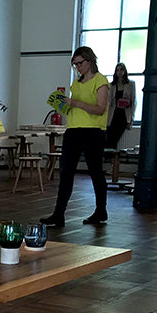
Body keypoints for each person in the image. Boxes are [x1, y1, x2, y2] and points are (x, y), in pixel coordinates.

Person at [41, 46, 110, 228]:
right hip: (73, 130)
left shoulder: (100, 80)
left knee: (95, 171)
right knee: (66, 172)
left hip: (93, 131)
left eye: (80, 63)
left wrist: (76, 103)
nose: (78, 67)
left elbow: (100, 108)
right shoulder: (76, 83)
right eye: (75, 65)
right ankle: (58, 214)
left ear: (90, 61)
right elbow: (74, 107)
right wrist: (63, 105)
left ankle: (101, 210)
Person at [105, 62, 136, 150]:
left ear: (125, 71)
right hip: (113, 114)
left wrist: (131, 119)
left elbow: (133, 102)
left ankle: (112, 156)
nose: (119, 72)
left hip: (123, 115)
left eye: (121, 70)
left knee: (115, 139)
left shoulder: (131, 84)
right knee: (109, 139)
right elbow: (108, 102)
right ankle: (109, 156)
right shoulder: (112, 85)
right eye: (117, 70)